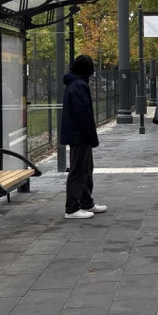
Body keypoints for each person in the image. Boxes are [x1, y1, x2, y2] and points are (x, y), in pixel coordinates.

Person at [61, 55, 106, 220]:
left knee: (85, 169)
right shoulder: (79, 85)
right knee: (79, 170)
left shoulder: (74, 84)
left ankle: (86, 202)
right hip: (80, 135)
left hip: (78, 135)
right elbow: (83, 113)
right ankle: (72, 208)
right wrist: (92, 136)